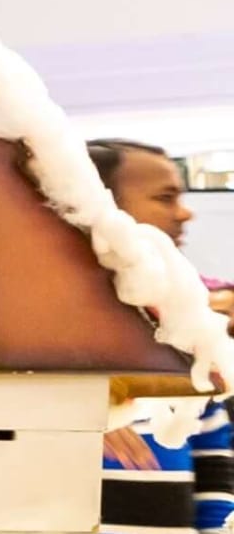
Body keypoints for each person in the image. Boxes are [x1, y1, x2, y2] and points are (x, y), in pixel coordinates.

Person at [95, 138, 233, 534]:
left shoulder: (181, 327)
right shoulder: (33, 331)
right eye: (165, 197)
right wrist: (81, 413)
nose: (185, 213)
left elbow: (213, 465)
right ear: (102, 208)